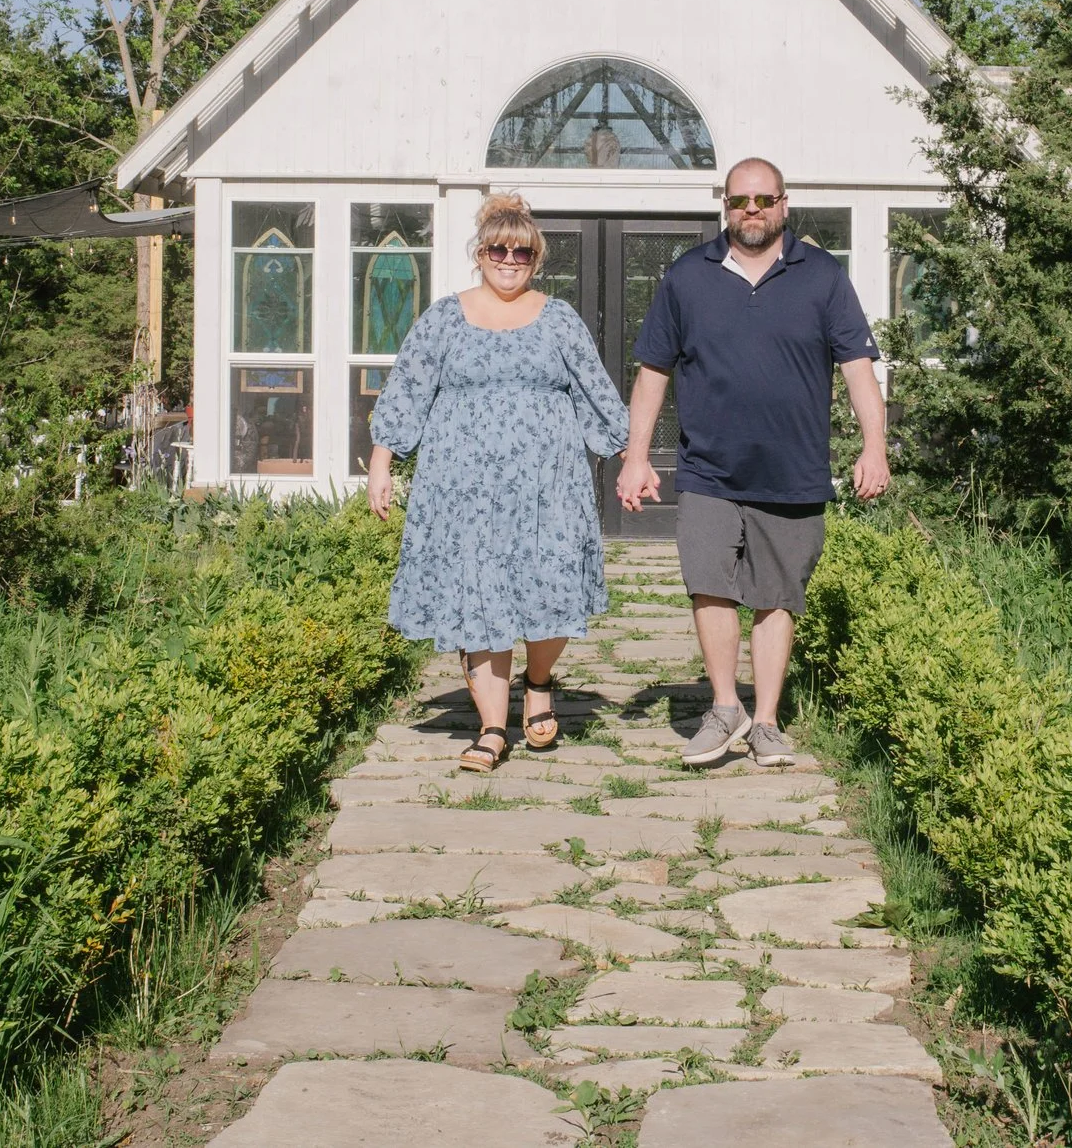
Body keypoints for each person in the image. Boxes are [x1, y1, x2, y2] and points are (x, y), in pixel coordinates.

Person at [616, 157, 889, 767]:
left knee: (777, 596)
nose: (753, 211)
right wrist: (636, 457)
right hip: (709, 468)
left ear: (784, 205)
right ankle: (723, 708)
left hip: (793, 471)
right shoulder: (688, 276)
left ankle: (766, 721)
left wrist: (875, 446)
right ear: (725, 205)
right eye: (741, 201)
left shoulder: (821, 276)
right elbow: (653, 370)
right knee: (708, 584)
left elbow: (858, 371)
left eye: (764, 200)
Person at [368, 194, 629, 772]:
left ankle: (538, 681)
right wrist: (382, 464)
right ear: (479, 253)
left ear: (536, 258)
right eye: (498, 249)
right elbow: (408, 389)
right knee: (478, 595)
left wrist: (629, 460)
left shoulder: (559, 318)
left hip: (547, 486)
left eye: (522, 251)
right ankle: (491, 728)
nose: (509, 259)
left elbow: (595, 390)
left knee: (550, 585)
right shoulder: (443, 317)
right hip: (462, 487)